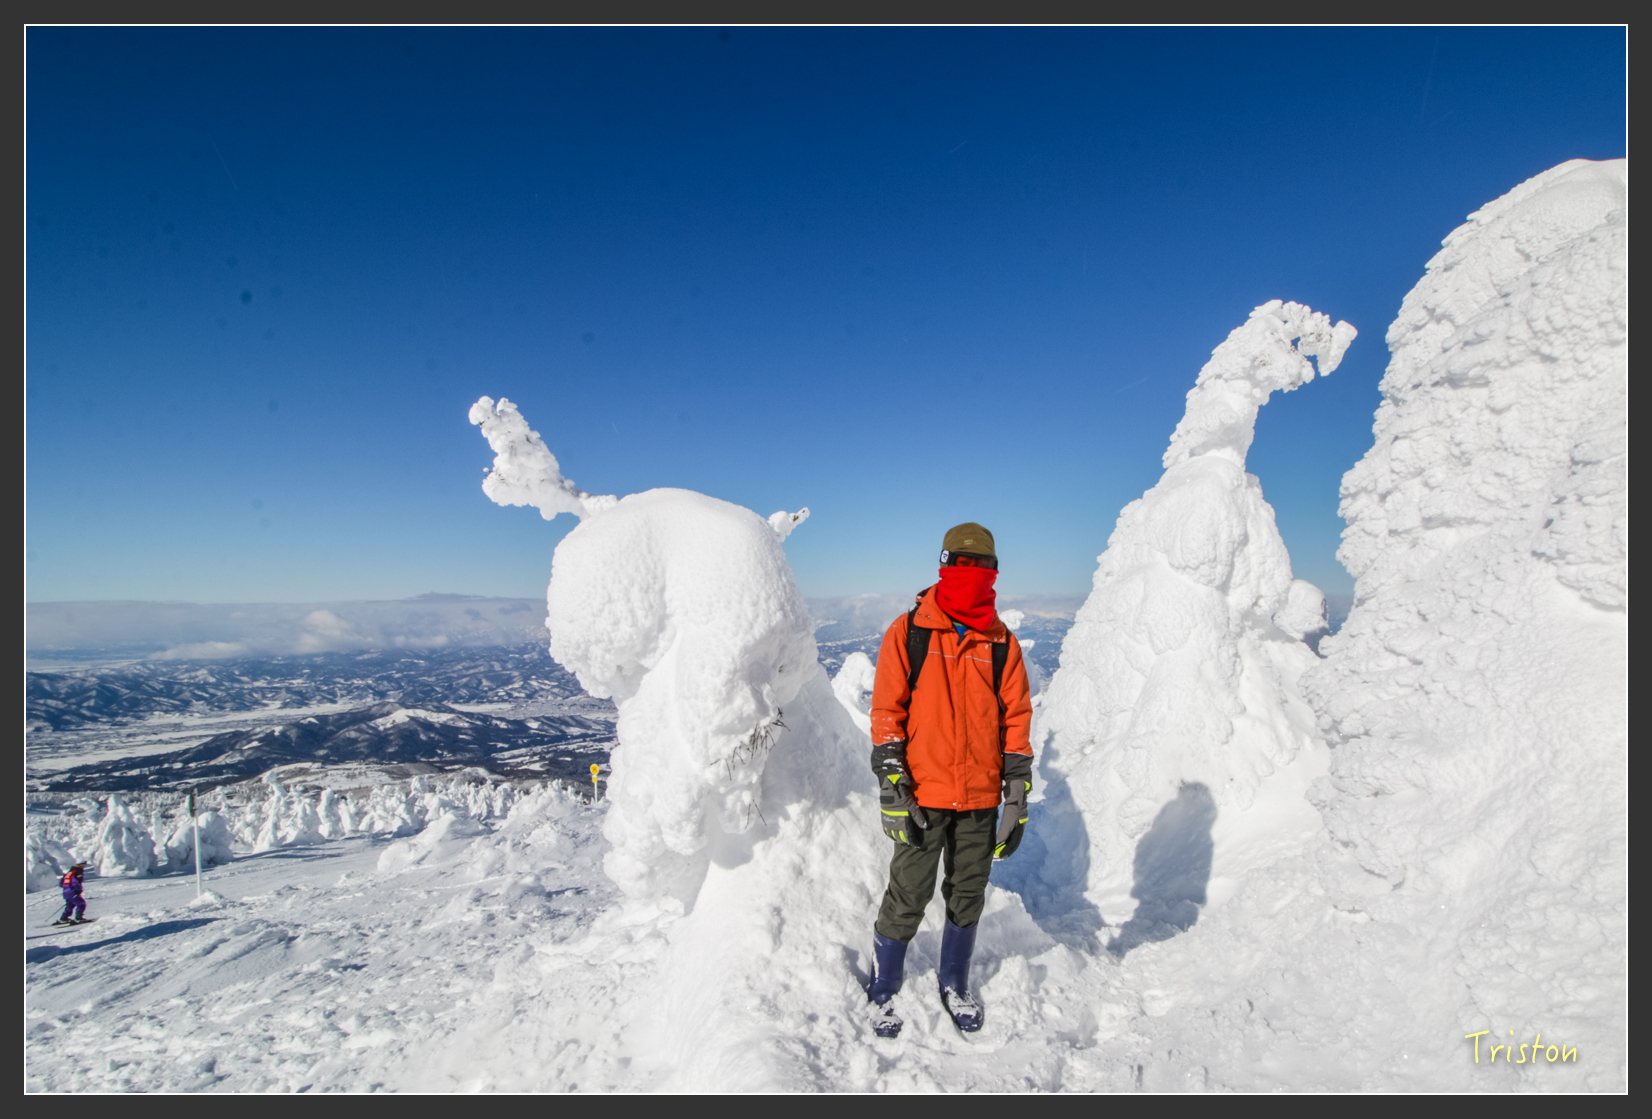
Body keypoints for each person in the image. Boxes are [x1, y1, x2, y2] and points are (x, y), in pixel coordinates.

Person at [864, 522, 1033, 1037]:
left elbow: (1016, 720)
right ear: (943, 566)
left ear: (994, 572)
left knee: (968, 893)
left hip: (980, 796)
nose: (971, 575)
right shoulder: (909, 632)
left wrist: (1016, 795)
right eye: (961, 565)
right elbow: (887, 712)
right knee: (908, 892)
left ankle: (954, 982)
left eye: (980, 567)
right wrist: (893, 785)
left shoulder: (1001, 643)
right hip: (923, 794)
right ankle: (884, 988)